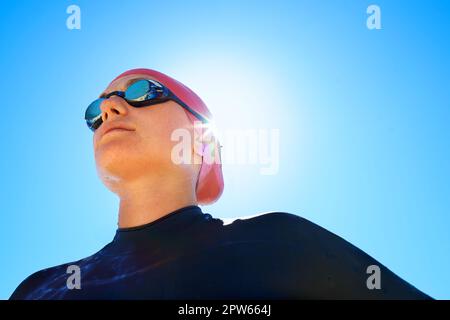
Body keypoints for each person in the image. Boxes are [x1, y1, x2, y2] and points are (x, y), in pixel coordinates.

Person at [10, 69, 431, 300]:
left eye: (141, 91)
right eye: (95, 110)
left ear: (201, 140)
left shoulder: (279, 242)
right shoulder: (36, 286)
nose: (110, 109)